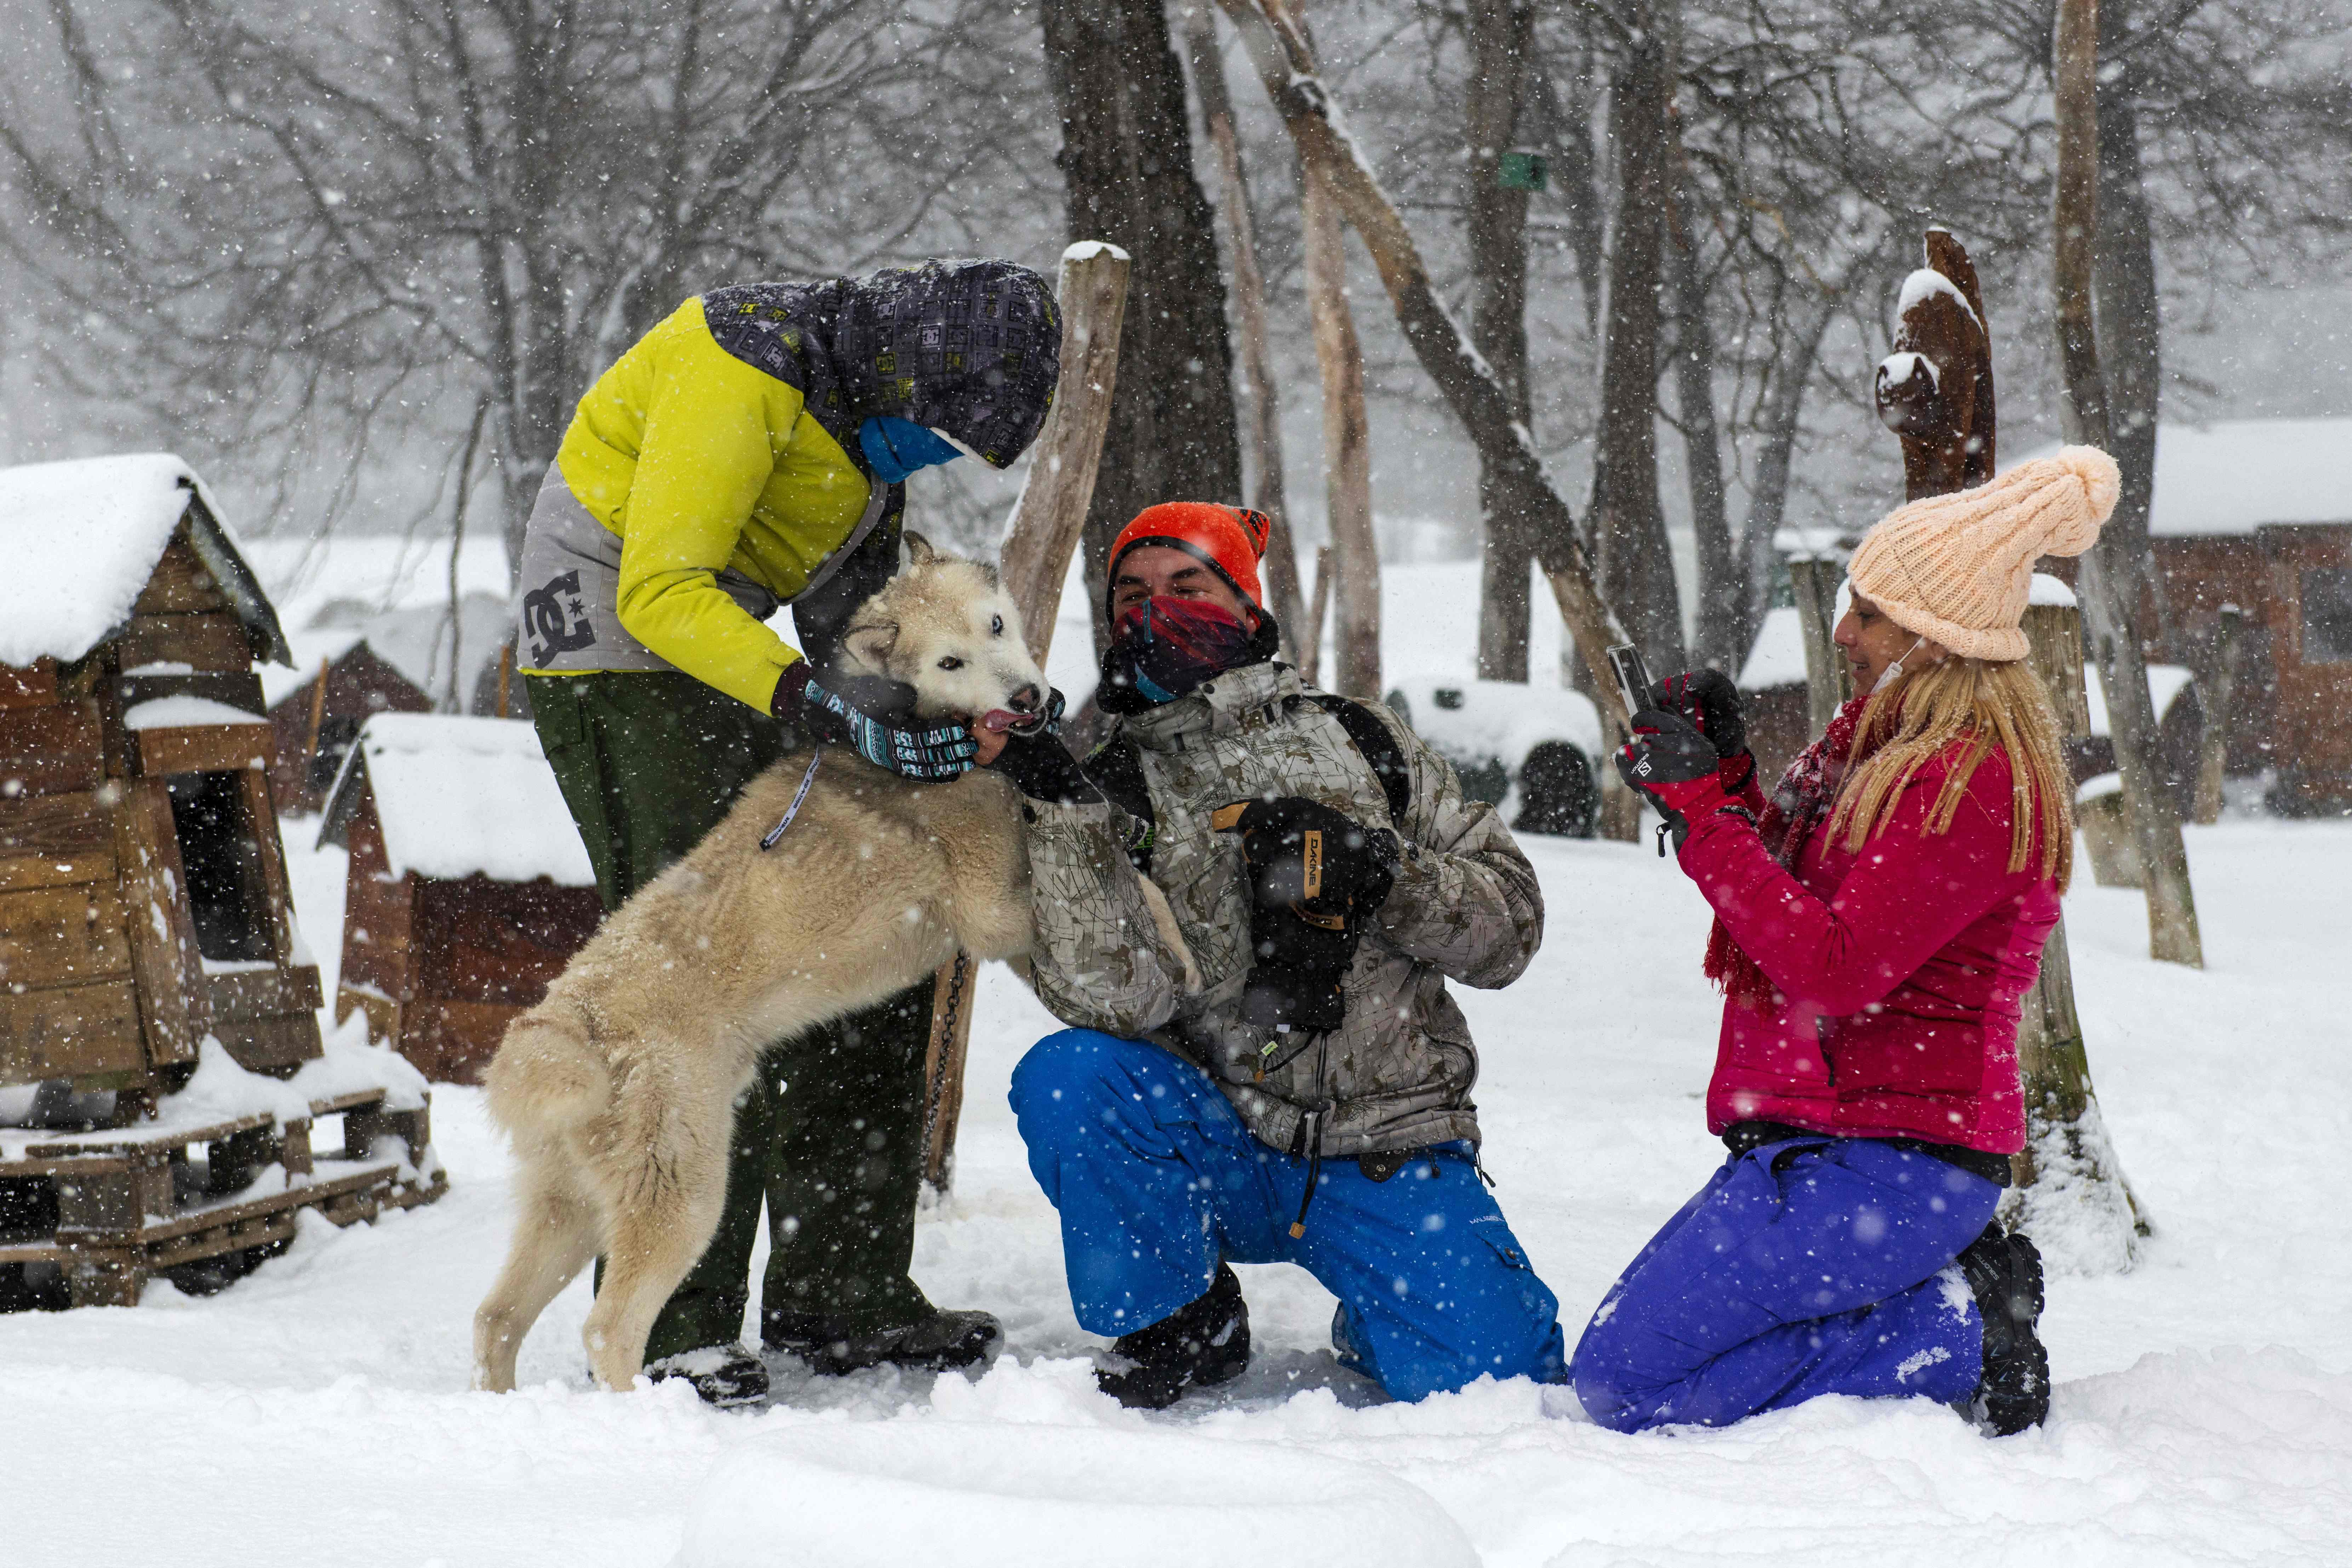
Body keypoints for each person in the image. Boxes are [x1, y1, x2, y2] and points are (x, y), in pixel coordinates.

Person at [512, 258, 1060, 1405]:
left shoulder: (871, 435)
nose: (930, 457)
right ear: (910, 369)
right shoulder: (742, 363)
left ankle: (843, 1291)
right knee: (700, 973)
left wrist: (953, 709)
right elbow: (660, 590)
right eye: (935, 432)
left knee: (873, 933)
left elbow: (850, 623)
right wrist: (800, 700)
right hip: (612, 645)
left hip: (738, 655)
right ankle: (675, 1331)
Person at [1571, 447, 2121, 1436]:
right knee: (1631, 1365)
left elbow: (1831, 968)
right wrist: (1726, 778)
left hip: (1893, 1160)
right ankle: (1932, 1306)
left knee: (1626, 1383)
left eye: (1868, 612)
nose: (1843, 631)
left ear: (1934, 636)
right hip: (1826, 1141)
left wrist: (1705, 814)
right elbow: (1799, 909)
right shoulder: (1883, 751)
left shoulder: (1971, 778)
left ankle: (1962, 1327)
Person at [980, 501, 1567, 1409]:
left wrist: (1385, 875)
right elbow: (1117, 1002)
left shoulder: (1368, 739)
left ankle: (1377, 1303)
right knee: (1073, 1077)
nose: (1154, 611)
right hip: (1215, 1141)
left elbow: (1509, 936)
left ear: (1242, 600)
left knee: (1502, 1390)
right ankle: (1183, 1316)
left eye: (1186, 585)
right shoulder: (1111, 776)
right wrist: (1063, 813)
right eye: (1130, 594)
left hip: (1387, 1144)